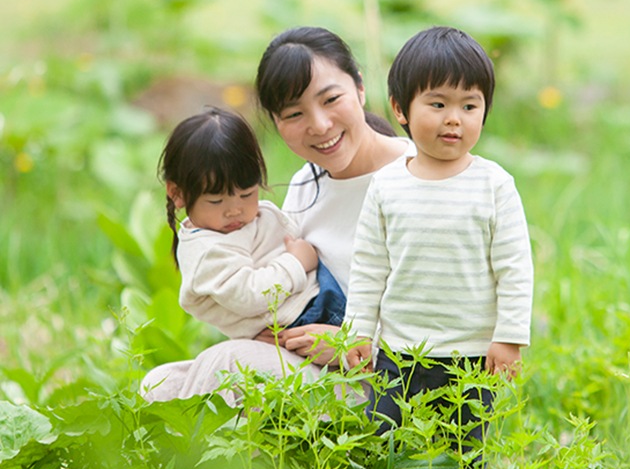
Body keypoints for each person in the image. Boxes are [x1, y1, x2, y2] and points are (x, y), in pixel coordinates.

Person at [140, 27, 413, 404]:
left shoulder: (416, 180)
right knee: (161, 384)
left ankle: (194, 463)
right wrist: (264, 332)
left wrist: (352, 342)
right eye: (295, 113)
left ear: (360, 89)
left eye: (331, 99)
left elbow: (450, 311)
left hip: (392, 382)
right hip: (316, 366)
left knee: (229, 365)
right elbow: (272, 278)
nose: (319, 125)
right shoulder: (306, 185)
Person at [344, 26, 534, 444]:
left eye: (469, 105)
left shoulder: (495, 185)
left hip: (471, 356)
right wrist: (358, 330)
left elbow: (514, 268)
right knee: (388, 448)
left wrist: (508, 337)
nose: (454, 118)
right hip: (398, 354)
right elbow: (369, 266)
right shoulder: (387, 185)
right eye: (438, 103)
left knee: (462, 458)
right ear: (400, 109)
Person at [159, 106, 347, 341]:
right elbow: (250, 295)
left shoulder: (246, 221)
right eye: (216, 201)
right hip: (306, 316)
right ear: (178, 193)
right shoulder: (207, 252)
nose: (235, 210)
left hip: (314, 298)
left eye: (247, 194)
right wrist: (296, 262)